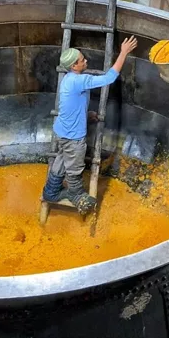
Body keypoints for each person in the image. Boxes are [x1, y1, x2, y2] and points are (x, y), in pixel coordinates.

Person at [41, 36, 138, 214]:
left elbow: (70, 107)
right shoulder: (79, 80)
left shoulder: (68, 79)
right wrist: (123, 52)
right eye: (82, 60)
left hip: (62, 131)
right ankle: (76, 194)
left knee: (62, 160)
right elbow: (109, 78)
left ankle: (51, 191)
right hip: (73, 137)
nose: (86, 60)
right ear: (73, 66)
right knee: (74, 167)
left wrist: (85, 115)